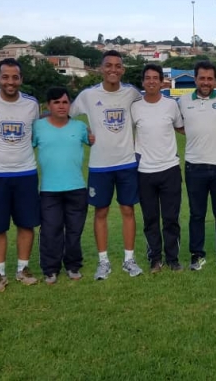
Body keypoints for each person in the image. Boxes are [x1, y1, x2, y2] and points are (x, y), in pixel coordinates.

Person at [69, 50, 144, 280]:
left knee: (128, 210)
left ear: (123, 69)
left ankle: (129, 260)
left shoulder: (132, 93)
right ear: (101, 68)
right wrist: (85, 133)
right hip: (100, 165)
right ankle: (103, 262)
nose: (113, 69)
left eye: (118, 66)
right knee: (100, 211)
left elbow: (147, 110)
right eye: (108, 65)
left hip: (126, 162)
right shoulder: (88, 95)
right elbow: (69, 117)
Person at [0, 58, 40, 291]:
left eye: (15, 77)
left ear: (21, 79)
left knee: (26, 224)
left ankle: (23, 269)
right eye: (5, 76)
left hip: (26, 173)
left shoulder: (31, 104)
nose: (10, 82)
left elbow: (34, 135)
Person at [178, 60, 216, 269]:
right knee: (197, 213)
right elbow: (178, 125)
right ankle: (197, 254)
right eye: (202, 78)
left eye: (210, 78)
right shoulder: (183, 101)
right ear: (195, 79)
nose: (206, 82)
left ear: (215, 80)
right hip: (194, 166)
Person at [32, 87, 92, 284]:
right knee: (51, 230)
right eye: (56, 102)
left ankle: (73, 266)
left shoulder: (80, 127)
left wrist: (92, 138)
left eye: (65, 102)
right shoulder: (38, 127)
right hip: (49, 190)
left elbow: (93, 141)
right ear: (48, 105)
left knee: (74, 231)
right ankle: (50, 269)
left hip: (76, 188)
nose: (61, 106)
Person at [132, 64, 184, 273]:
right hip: (144, 171)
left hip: (170, 169)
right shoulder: (135, 107)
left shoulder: (171, 105)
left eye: (156, 78)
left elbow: (182, 128)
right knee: (150, 218)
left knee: (171, 218)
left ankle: (172, 258)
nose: (152, 81)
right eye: (148, 78)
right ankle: (155, 258)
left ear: (162, 81)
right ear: (143, 82)